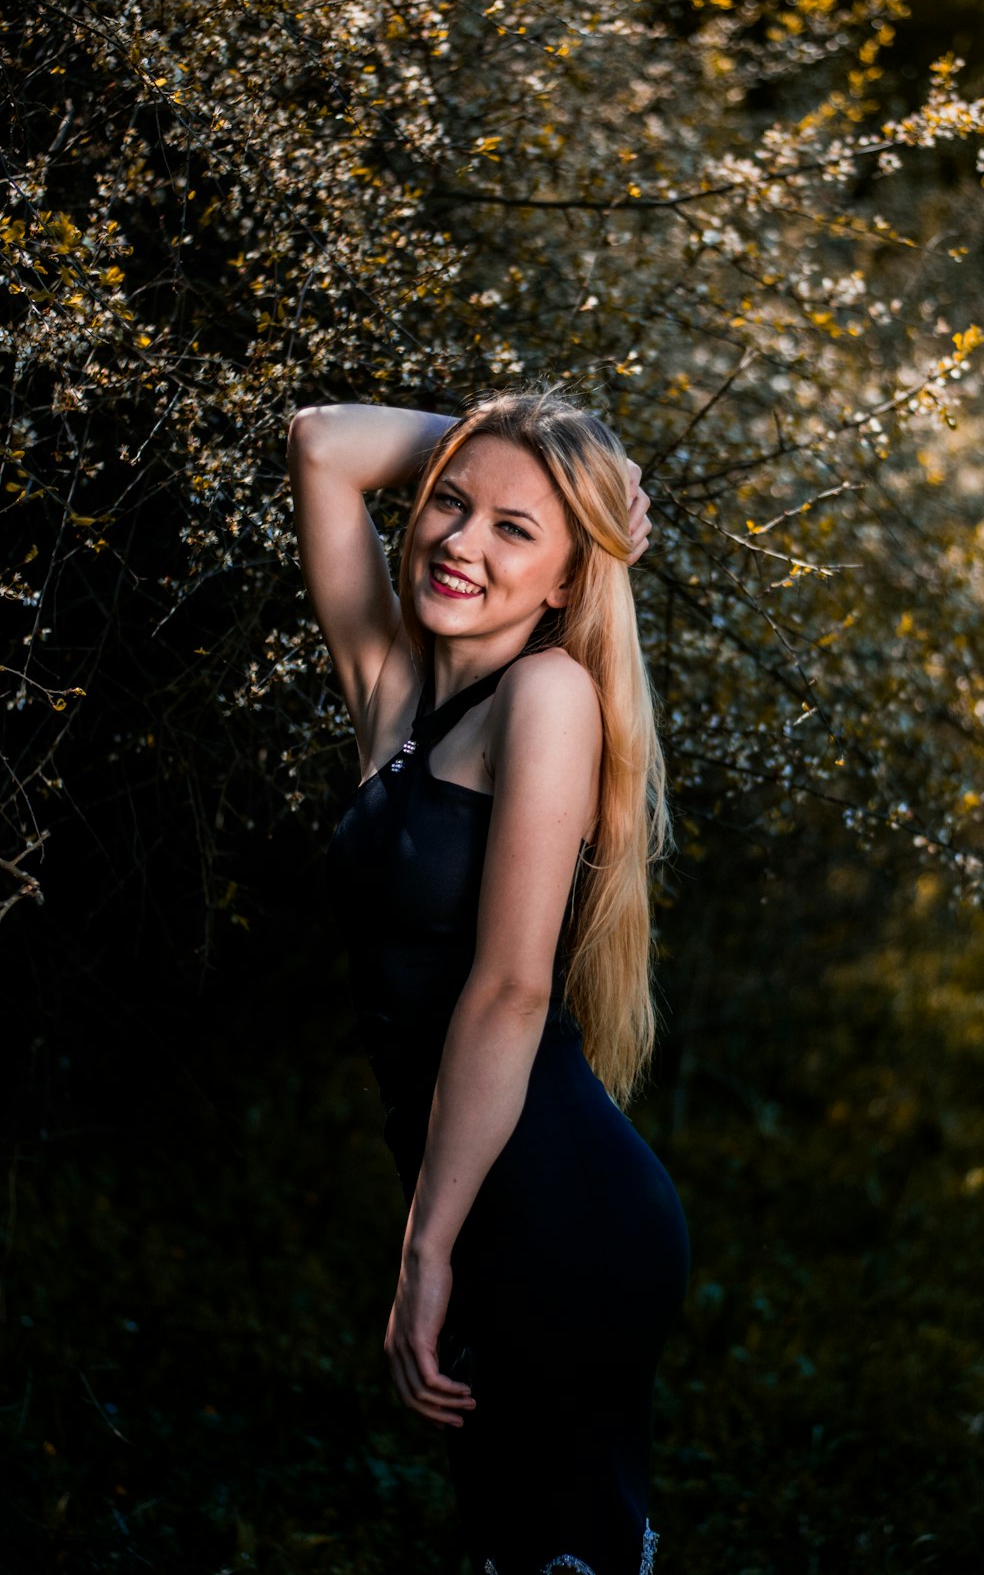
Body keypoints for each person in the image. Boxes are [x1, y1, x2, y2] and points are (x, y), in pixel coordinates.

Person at [288, 389, 691, 1575]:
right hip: (480, 1202)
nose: (461, 541)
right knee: (512, 1543)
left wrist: (426, 1251)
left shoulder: (547, 696)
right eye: (451, 505)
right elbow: (321, 442)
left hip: (556, 1213)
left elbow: (511, 990)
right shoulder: (397, 699)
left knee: (553, 1549)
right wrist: (554, 468)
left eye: (518, 530)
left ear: (570, 579)